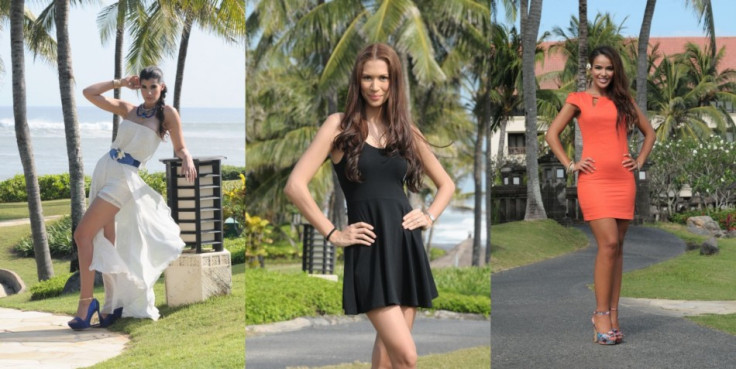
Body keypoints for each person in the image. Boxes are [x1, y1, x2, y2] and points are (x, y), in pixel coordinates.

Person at [284, 43, 455, 368]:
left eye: (383, 78)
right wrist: (334, 233)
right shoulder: (339, 126)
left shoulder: (405, 131)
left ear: (394, 82)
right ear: (357, 81)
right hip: (370, 249)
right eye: (367, 78)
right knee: (407, 357)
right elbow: (295, 185)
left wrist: (429, 215)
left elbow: (446, 185)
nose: (375, 86)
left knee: (389, 357)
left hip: (405, 247)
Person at [68, 66, 197, 330]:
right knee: (106, 240)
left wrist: (187, 158)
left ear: (161, 87)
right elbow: (88, 93)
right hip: (105, 169)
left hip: (124, 179)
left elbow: (180, 145)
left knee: (83, 235)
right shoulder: (129, 109)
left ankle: (86, 304)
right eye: (145, 86)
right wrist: (120, 82)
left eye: (154, 87)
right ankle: (111, 306)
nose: (149, 92)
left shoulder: (167, 114)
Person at [546, 46, 656, 345]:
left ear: (615, 70)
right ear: (589, 70)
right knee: (607, 243)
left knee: (618, 248)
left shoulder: (624, 101)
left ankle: (615, 316)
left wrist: (639, 160)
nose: (604, 73)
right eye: (598, 68)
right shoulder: (578, 99)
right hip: (593, 180)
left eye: (608, 68)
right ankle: (600, 314)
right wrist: (571, 164)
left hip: (623, 180)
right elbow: (551, 134)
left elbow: (650, 133)